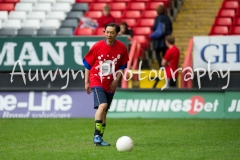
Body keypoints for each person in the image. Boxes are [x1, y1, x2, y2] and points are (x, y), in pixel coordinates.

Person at [83, 23, 129, 146]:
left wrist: (116, 79)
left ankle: (100, 139)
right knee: (102, 105)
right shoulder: (97, 46)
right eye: (107, 32)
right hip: (96, 79)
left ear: (117, 33)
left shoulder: (122, 47)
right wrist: (86, 81)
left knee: (105, 111)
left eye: (112, 32)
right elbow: (88, 65)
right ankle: (96, 136)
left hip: (111, 83)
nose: (109, 34)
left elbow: (122, 66)